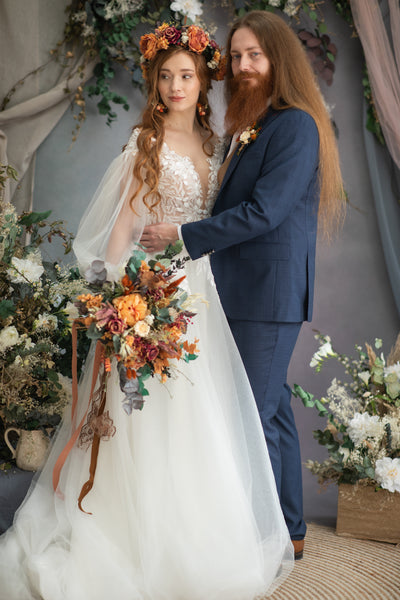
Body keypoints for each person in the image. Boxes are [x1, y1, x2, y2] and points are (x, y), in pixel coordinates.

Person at [0, 21, 294, 600]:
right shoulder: (148, 142)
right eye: (166, 77)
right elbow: (121, 234)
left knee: (201, 419)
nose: (177, 86)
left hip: (203, 300)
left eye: (187, 75)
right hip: (154, 295)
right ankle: (131, 538)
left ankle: (195, 539)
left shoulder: (221, 144)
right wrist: (120, 299)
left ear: (206, 78)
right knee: (147, 421)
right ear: (154, 83)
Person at [140, 11, 346, 559]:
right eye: (235, 56)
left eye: (255, 54)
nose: (243, 66)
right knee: (271, 409)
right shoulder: (253, 122)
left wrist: (184, 236)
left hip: (267, 294)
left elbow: (264, 212)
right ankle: (290, 530)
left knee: (247, 418)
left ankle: (254, 539)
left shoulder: (296, 124)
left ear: (279, 59)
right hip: (242, 289)